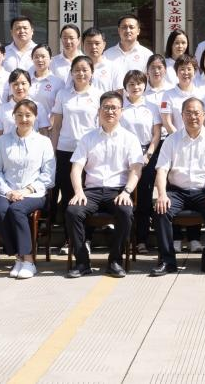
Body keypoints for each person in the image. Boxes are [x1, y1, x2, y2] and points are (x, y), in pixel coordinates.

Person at [65, 91, 144, 278]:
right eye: (106, 107)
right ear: (99, 111)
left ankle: (115, 261)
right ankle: (82, 262)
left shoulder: (130, 138)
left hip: (117, 191)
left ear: (121, 111)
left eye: (114, 108)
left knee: (125, 212)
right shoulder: (88, 138)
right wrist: (78, 191)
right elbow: (76, 168)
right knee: (73, 211)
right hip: (91, 191)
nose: (110, 111)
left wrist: (127, 192)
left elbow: (136, 169)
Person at [151, 97, 205, 277]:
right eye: (188, 113)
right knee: (161, 210)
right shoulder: (171, 140)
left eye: (196, 113)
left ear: (204, 115)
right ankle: (167, 261)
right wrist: (162, 194)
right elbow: (161, 170)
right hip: (177, 191)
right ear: (182, 115)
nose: (193, 117)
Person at [0, 99, 56, 279]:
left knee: (16, 209)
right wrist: (8, 191)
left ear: (35, 117)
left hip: (33, 193)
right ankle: (19, 257)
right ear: (13, 117)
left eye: (28, 115)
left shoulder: (43, 142)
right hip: (7, 191)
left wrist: (26, 191)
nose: (24, 119)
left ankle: (29, 260)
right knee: (0, 208)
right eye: (19, 115)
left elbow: (48, 174)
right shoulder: (2, 141)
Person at [50, 55, 101, 252]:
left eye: (85, 70)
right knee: (68, 196)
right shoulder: (63, 94)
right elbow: (56, 126)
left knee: (87, 195)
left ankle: (87, 238)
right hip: (66, 150)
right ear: (71, 73)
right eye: (77, 70)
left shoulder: (98, 95)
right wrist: (53, 151)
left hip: (90, 152)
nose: (81, 73)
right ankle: (68, 238)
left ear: (92, 72)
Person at [119, 69, 161, 252]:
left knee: (144, 198)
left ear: (145, 85)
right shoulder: (120, 106)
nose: (135, 87)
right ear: (125, 87)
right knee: (125, 197)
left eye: (139, 83)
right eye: (131, 84)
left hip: (146, 154)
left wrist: (148, 155)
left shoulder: (152, 106)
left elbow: (156, 134)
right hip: (123, 155)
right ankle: (125, 239)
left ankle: (142, 240)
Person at [0, 69, 51, 152]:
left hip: (33, 152)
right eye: (15, 84)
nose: (20, 87)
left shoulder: (38, 107)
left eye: (23, 83)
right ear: (10, 86)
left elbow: (44, 132)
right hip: (7, 153)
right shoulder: (3, 109)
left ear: (30, 84)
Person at [159, 54, 205, 137]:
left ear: (195, 72)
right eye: (182, 69)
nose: (186, 72)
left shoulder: (202, 94)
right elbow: (167, 123)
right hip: (176, 139)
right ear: (176, 73)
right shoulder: (167, 95)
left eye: (189, 69)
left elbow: (204, 122)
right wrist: (181, 139)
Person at [104, 14, 155, 89]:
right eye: (124, 27)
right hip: (113, 96)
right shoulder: (107, 54)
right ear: (119, 31)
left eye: (131, 27)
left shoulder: (147, 54)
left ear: (138, 31)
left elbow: (151, 80)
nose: (128, 30)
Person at [28, 44, 64, 112]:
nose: (40, 60)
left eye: (43, 56)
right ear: (32, 59)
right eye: (36, 57)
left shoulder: (58, 83)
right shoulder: (26, 80)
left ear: (51, 59)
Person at [82, 27, 116, 92]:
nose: (93, 47)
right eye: (89, 43)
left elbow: (119, 93)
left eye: (97, 43)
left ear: (104, 45)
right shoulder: (76, 67)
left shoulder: (113, 67)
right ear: (83, 44)